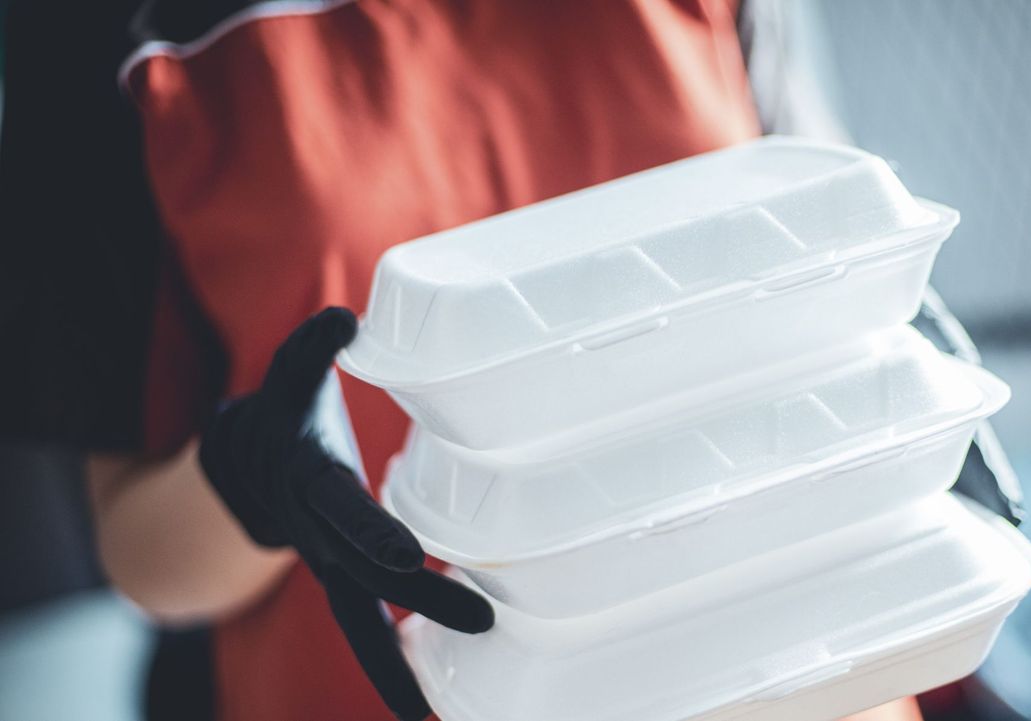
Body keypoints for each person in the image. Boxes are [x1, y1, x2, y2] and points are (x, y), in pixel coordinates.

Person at [0, 1, 922, 720]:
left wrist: (894, 351)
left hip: (781, 670)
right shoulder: (107, 35)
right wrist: (248, 486)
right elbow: (136, 545)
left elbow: (818, 217)